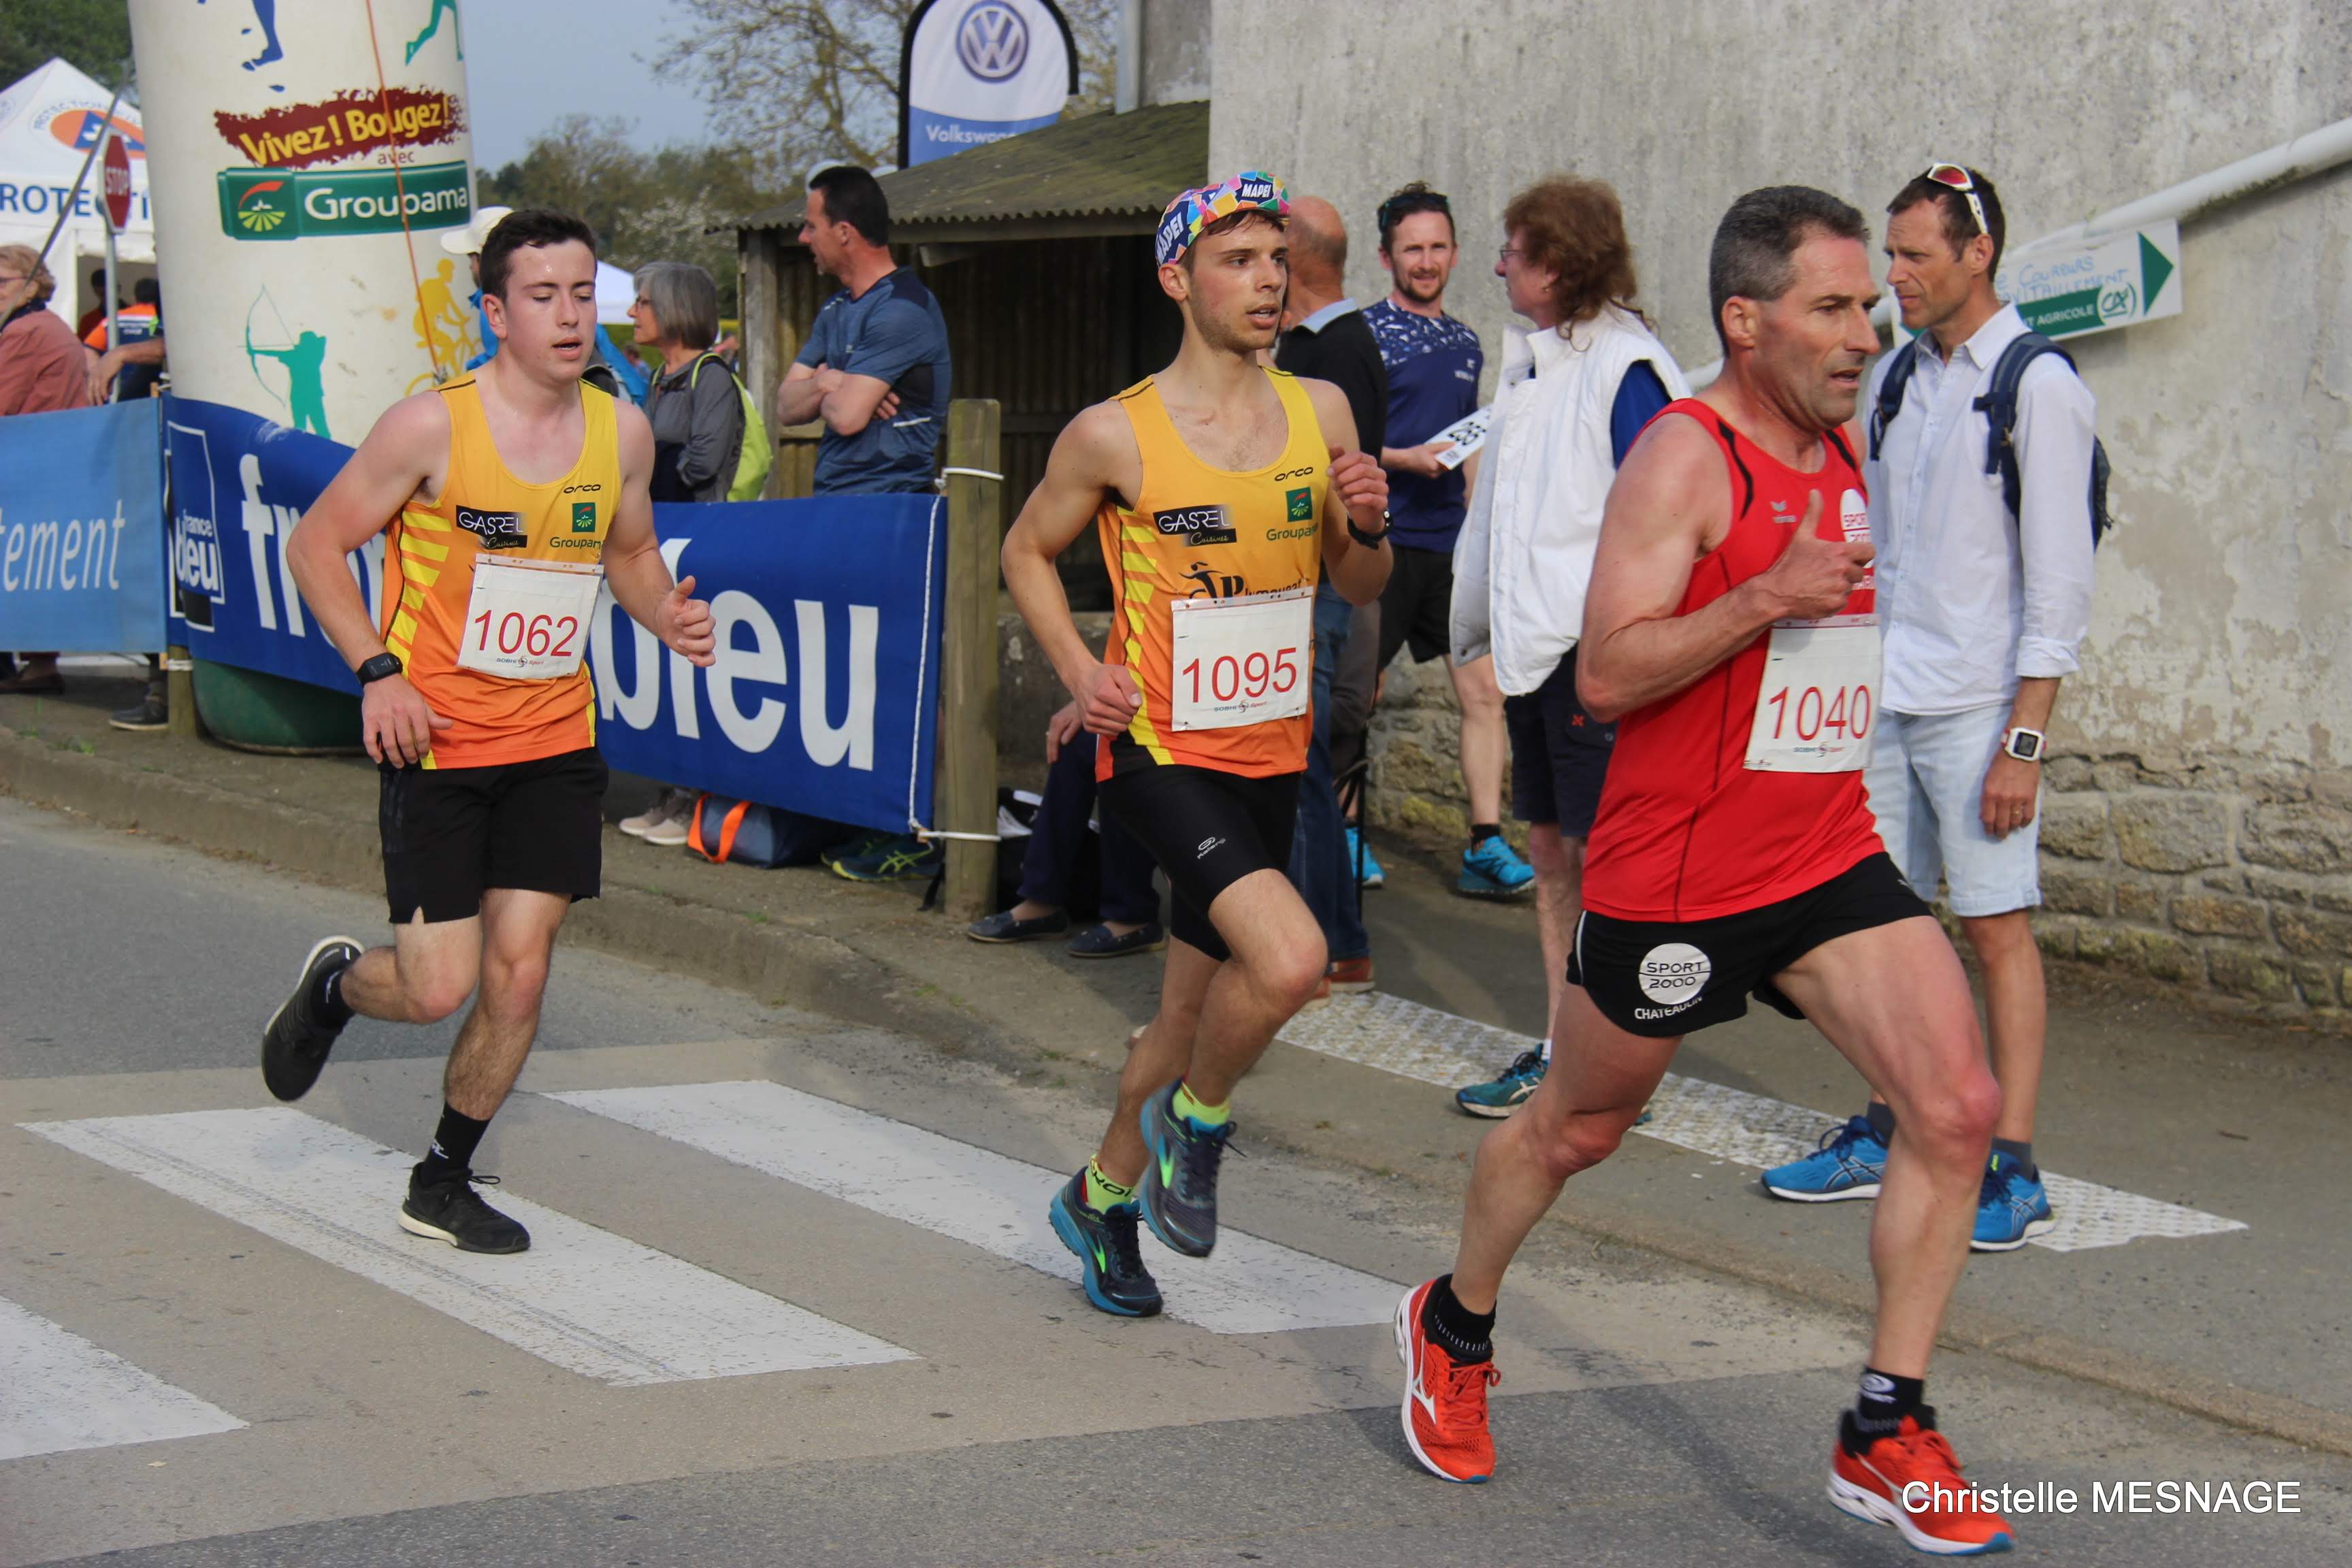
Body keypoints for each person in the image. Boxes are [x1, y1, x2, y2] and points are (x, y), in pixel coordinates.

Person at [1396, 186, 2017, 1556]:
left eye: (1868, 306)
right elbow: (1606, 673)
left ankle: (1886, 1420)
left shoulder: (1842, 443)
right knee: (1577, 1129)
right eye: (1831, 308)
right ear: (1746, 320)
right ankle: (1453, 1322)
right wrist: (1761, 597)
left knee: (1957, 1105)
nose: (1864, 332)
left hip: (1821, 850)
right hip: (1677, 876)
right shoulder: (1684, 455)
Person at [264, 209, 717, 1254]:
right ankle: (335, 988)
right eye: (543, 296)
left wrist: (666, 614)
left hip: (554, 741)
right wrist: (376, 673)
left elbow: (630, 554)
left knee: (521, 969)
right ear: (497, 313)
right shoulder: (430, 427)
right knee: (437, 987)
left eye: (582, 294)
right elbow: (316, 547)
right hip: (437, 743)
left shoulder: (621, 430)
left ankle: (442, 1179)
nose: (569, 316)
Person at [1000, 172, 1392, 1318]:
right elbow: (1025, 550)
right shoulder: (1114, 432)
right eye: (1238, 261)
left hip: (1271, 752)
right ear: (1178, 280)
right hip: (1159, 751)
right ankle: (1198, 1119)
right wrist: (1081, 673)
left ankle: (1101, 1197)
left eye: (1276, 259)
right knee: (1293, 960)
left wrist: (1371, 520)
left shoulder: (1322, 411)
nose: (1267, 281)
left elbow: (1360, 580)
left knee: (1186, 1015)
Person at [1765, 166, 2094, 1253]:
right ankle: (1884, 1127)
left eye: (1914, 255)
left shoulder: (2039, 384)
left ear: (1977, 253)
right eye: (1892, 254)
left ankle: (2017, 1165)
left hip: (1977, 708)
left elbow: (2061, 583)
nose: (1893, 276)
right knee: (1877, 925)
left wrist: (2023, 742)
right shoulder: (1902, 374)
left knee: (1996, 928)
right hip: (1885, 694)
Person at [1445, 178, 1684, 1117]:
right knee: (1550, 849)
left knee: (1605, 858)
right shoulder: (1537, 363)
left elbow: (1664, 516)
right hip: (1539, 654)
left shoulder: (1627, 368)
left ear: (1555, 263)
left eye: (1512, 251)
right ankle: (1564, 1050)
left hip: (1596, 657)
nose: (1498, 266)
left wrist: (1622, 644)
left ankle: (1613, 1065)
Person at [780, 164, 956, 884]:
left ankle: (924, 831)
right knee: (850, 675)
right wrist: (831, 381)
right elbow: (784, 404)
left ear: (845, 233)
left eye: (811, 225)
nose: (804, 237)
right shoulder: (835, 309)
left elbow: (849, 416)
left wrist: (830, 389)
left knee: (902, 675)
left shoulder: (904, 309)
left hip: (894, 515)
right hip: (839, 509)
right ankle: (872, 818)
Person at [1362, 184, 1529, 904]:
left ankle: (1484, 845)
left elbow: (1468, 443)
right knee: (1360, 693)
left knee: (1485, 692)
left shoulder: (1466, 343)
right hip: (1381, 543)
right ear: (1386, 258)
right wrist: (1404, 460)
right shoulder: (1365, 336)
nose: (1426, 261)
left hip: (1450, 549)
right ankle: (1344, 835)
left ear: (1456, 253)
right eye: (1412, 249)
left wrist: (1481, 512)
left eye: (1437, 247)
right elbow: (1336, 438)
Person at [1272, 195, 1384, 993]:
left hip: (1315, 582)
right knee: (1302, 763)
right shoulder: (1339, 341)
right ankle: (1333, 942)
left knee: (1300, 765)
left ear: (1297, 260)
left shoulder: (1330, 352)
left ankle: (1326, 947)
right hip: (1317, 583)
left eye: (1270, 252)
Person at [611, 261, 747, 847]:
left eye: (642, 302)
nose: (632, 312)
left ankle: (691, 799)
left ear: (673, 309)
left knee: (693, 673)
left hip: (696, 539)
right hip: (659, 537)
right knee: (662, 676)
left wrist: (649, 470)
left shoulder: (709, 377)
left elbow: (703, 462)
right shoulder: (662, 380)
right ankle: (667, 792)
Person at [968, 701, 1166, 957]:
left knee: (1118, 741)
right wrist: (1088, 700)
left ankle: (1131, 913)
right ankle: (1042, 898)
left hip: (1190, 715)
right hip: (1148, 701)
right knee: (1078, 735)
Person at [0, 244, 93, 696]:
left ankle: (36, 664)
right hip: (50, 461)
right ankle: (37, 662)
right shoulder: (47, 326)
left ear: (33, 285)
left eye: (2, 282)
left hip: (27, 463)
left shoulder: (26, 331)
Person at [84, 278, 165, 404]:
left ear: (135, 297)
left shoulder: (112, 319)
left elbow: (88, 349)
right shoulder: (158, 317)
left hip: (119, 387)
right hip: (153, 391)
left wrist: (97, 375)